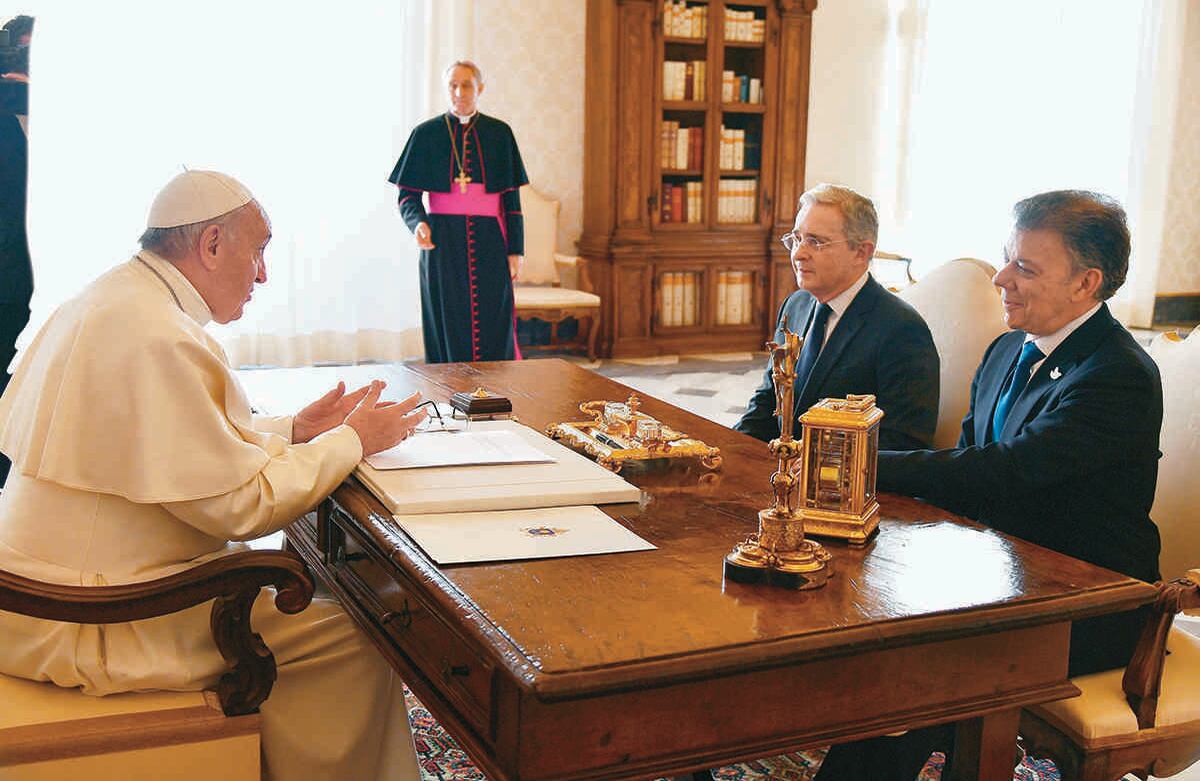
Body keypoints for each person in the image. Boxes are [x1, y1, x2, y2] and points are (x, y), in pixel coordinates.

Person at [0, 170, 427, 781]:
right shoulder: (161, 335)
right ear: (211, 245)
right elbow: (240, 507)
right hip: (92, 616)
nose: (262, 275)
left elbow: (168, 443)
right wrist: (353, 442)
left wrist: (294, 432)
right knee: (351, 635)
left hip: (33, 596)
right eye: (258, 251)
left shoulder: (116, 298)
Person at [814, 190, 1163, 781]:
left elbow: (1000, 472)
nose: (1001, 278)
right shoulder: (1008, 349)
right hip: (1001, 574)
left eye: (1025, 268)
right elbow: (972, 467)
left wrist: (857, 457)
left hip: (1087, 600)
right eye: (1006, 259)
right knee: (869, 623)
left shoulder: (1117, 375)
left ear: (1087, 284)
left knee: (920, 665)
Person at [734, 183, 939, 450]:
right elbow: (769, 402)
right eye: (797, 239)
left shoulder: (902, 330)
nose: (798, 253)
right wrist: (729, 448)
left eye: (815, 242)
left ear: (861, 252)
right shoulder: (795, 306)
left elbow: (902, 442)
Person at [387, 59, 528, 363]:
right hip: (441, 240)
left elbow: (511, 202)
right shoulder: (426, 134)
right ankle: (447, 387)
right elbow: (407, 195)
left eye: (466, 84)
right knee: (446, 314)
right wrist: (418, 225)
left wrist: (515, 250)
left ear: (480, 88)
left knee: (493, 314)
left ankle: (496, 387)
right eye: (453, 85)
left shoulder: (500, 134)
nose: (459, 91)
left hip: (491, 240)